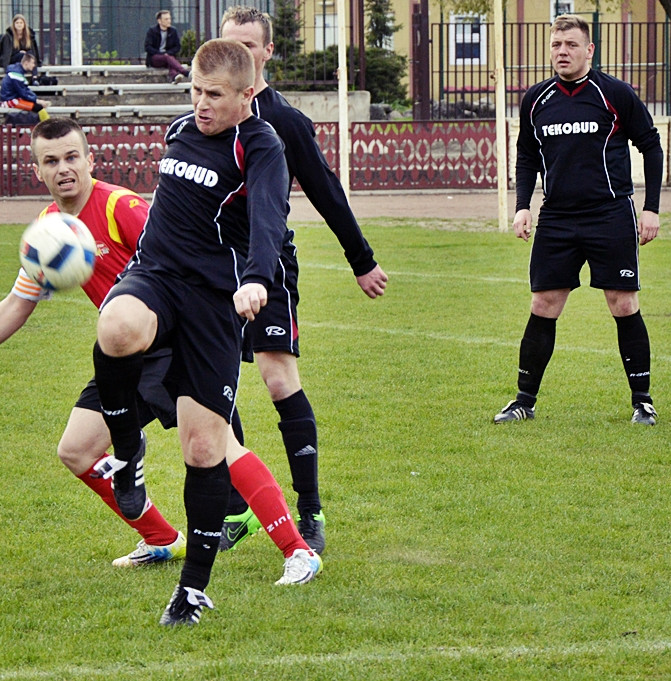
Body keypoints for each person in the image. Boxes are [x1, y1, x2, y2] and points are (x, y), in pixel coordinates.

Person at [0, 118, 320, 585]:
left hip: (176, 341)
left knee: (217, 448)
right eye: (52, 161)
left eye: (72, 157)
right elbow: (15, 305)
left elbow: (181, 261)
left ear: (91, 160)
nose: (64, 168)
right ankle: (162, 538)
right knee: (76, 450)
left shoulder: (120, 208)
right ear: (38, 171)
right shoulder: (49, 232)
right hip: (124, 356)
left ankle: (299, 549)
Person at [90, 38, 314, 626]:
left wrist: (258, 279)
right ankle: (128, 450)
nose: (201, 104)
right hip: (157, 276)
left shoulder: (261, 144)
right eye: (195, 90)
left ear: (246, 96)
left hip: (215, 305)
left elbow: (270, 219)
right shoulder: (179, 131)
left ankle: (191, 592)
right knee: (116, 326)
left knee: (204, 449)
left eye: (214, 95)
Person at [218, 6, 389, 554]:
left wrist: (360, 258)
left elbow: (325, 189)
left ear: (267, 52)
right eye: (229, 44)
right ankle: (236, 510)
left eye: (249, 45)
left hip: (266, 268)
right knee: (206, 383)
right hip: (209, 268)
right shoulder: (208, 113)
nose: (239, 53)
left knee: (275, 378)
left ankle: (310, 510)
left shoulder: (283, 121)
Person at [494, 14, 663, 426]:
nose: (562, 52)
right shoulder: (536, 99)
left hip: (610, 214)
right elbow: (527, 155)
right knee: (543, 304)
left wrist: (651, 207)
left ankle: (642, 401)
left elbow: (651, 145)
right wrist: (522, 205)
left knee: (622, 303)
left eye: (571, 45)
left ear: (589, 50)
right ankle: (523, 402)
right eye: (556, 45)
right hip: (557, 218)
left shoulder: (615, 94)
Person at [0, 51, 50, 122]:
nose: (34, 65)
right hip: (10, 101)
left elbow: (25, 90)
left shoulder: (17, 72)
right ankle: (49, 127)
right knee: (38, 108)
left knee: (37, 106)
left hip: (13, 98)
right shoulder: (16, 75)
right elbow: (23, 93)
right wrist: (36, 100)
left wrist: (36, 99)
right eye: (32, 63)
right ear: (26, 63)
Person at [144, 10, 189, 83]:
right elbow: (148, 47)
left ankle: (174, 77)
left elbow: (177, 47)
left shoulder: (173, 31)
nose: (169, 21)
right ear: (159, 21)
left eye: (169, 18)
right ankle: (184, 72)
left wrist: (168, 52)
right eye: (166, 19)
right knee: (168, 58)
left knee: (169, 59)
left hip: (168, 57)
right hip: (155, 58)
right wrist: (161, 53)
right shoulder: (152, 31)